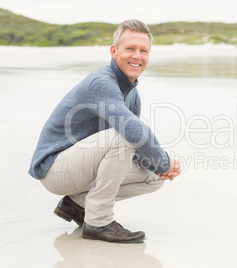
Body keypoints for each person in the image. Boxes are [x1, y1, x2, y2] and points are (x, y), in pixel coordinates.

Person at [28, 19, 181, 243]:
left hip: (81, 166)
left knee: (153, 177)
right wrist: (164, 161)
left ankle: (77, 205)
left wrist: (160, 167)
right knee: (125, 134)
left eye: (143, 50)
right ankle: (98, 222)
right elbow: (132, 133)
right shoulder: (101, 83)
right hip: (55, 168)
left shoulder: (131, 93)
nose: (137, 56)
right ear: (113, 51)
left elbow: (134, 147)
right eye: (129, 48)